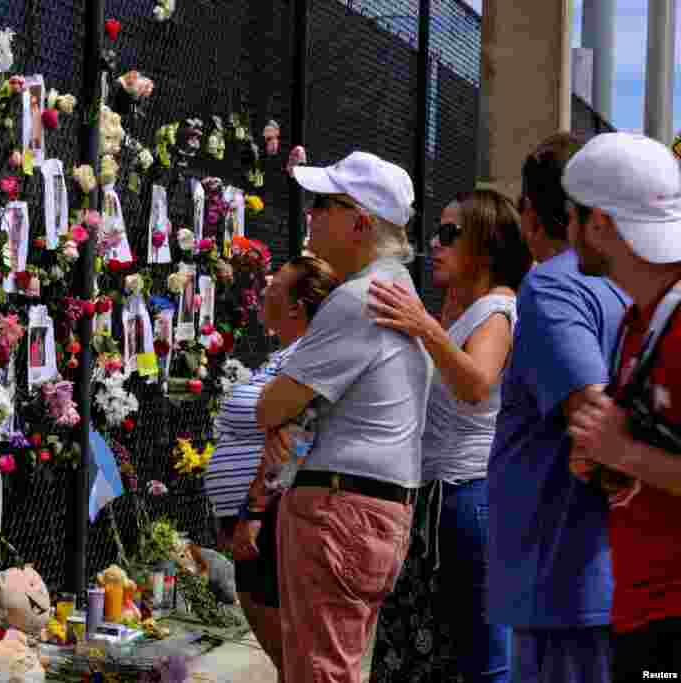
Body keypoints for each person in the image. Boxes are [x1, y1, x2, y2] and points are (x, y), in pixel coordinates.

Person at [256, 151, 433, 683]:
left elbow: (274, 404)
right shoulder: (399, 288)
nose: (309, 214)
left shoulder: (359, 298)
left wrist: (283, 420)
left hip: (339, 511)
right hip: (374, 508)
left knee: (318, 673)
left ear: (360, 222)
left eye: (322, 204)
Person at [367, 189, 533, 683]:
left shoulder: (498, 310)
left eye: (449, 234)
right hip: (442, 499)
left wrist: (426, 329)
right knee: (442, 653)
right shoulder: (465, 309)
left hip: (468, 498)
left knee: (483, 659)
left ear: (484, 244)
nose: (434, 245)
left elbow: (477, 386)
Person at [486, 132, 628, 683]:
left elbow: (596, 421)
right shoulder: (625, 288)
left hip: (567, 589)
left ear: (530, 214)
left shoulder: (553, 287)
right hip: (597, 584)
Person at [562, 132, 681, 680]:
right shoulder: (642, 319)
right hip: (643, 611)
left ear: (602, 223)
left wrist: (622, 451)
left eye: (574, 214)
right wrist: (610, 465)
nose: (566, 230)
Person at [223, 256, 341, 680]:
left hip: (270, 516)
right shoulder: (288, 355)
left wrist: (254, 511)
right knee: (288, 660)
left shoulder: (305, 359)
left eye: (274, 286)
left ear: (296, 306)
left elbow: (293, 439)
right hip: (258, 517)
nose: (264, 290)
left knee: (295, 660)